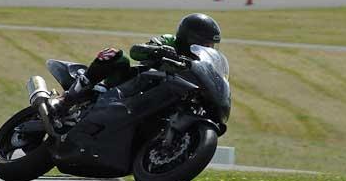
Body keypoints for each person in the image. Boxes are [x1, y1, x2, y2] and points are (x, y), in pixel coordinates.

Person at [50, 13, 221, 110]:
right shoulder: (170, 41)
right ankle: (69, 97)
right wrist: (158, 50)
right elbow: (136, 51)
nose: (209, 49)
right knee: (115, 55)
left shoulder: (201, 62)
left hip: (162, 99)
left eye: (211, 45)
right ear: (189, 38)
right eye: (205, 44)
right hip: (132, 84)